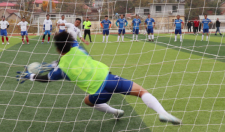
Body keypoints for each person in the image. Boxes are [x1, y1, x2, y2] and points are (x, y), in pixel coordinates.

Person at [16, 31, 181, 125]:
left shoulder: (62, 70)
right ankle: (163, 113)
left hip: (98, 93)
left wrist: (32, 75)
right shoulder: (78, 48)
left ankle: (116, 112)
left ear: (58, 50)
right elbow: (69, 45)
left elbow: (46, 79)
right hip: (109, 79)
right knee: (141, 92)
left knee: (88, 101)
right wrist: (56, 62)